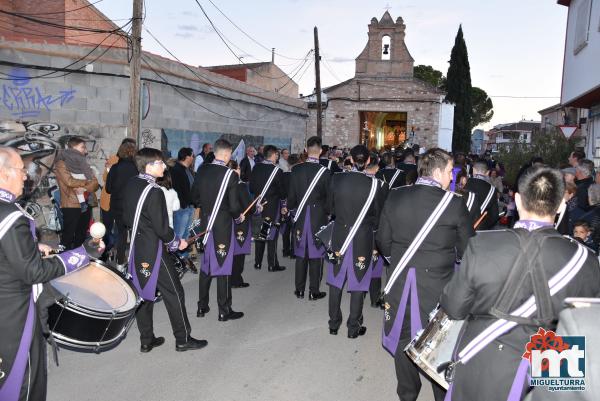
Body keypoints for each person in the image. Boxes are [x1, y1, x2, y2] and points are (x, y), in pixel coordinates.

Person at [440, 166, 600, 401]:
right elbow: (585, 330)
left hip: (486, 359)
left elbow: (454, 307)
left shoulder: (483, 245)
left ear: (517, 199)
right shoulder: (585, 260)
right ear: (560, 206)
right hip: (552, 364)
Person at [376, 148, 473, 401]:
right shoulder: (455, 203)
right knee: (437, 346)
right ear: (439, 171)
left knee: (403, 339)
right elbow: (467, 251)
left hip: (399, 282)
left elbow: (382, 240)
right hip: (437, 286)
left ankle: (407, 394)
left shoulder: (395, 196)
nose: (452, 177)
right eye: (450, 171)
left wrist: (396, 261)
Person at [0, 146, 93, 401]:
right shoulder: (11, 216)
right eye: (21, 170)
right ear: (4, 174)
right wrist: (80, 256)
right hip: (13, 317)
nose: (26, 176)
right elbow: (32, 272)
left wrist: (31, 247)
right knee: (25, 382)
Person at [122, 147, 207, 353]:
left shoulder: (132, 184)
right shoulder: (154, 191)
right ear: (149, 166)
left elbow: (125, 218)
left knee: (144, 293)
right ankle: (183, 338)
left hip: (136, 248)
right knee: (174, 292)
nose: (163, 166)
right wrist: (178, 243)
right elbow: (162, 228)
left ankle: (146, 339)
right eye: (160, 163)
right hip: (154, 251)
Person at [327, 145, 387, 338]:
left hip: (339, 236)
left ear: (351, 160)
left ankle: (333, 324)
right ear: (368, 161)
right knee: (358, 283)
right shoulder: (377, 185)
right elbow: (378, 218)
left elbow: (330, 208)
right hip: (363, 237)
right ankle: (353, 328)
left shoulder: (336, 178)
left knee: (336, 281)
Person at [191, 139, 245, 321]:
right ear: (227, 154)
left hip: (206, 221)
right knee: (223, 265)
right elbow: (234, 205)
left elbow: (194, 196)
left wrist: (206, 207)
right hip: (222, 224)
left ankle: (202, 306)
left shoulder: (202, 169)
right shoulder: (230, 175)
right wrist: (239, 217)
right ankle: (224, 310)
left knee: (207, 264)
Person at [287, 137, 330, 301]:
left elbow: (291, 196)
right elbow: (329, 199)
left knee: (300, 254)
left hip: (300, 215)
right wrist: (327, 213)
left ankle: (299, 289)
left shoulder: (296, 170)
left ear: (305, 149)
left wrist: (291, 210)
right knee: (316, 254)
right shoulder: (324, 171)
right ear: (320, 151)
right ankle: (314, 291)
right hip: (317, 216)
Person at [54, 136, 99, 250]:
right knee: (68, 235)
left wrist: (84, 188)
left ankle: (78, 259)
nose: (86, 151)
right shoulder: (61, 163)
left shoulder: (83, 162)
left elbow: (95, 183)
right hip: (71, 204)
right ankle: (64, 261)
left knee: (81, 235)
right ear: (73, 147)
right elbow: (69, 181)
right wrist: (86, 182)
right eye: (83, 147)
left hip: (86, 202)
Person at [250, 145, 287, 272]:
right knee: (272, 236)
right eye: (277, 155)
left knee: (260, 233)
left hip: (258, 205)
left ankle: (258, 263)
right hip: (272, 206)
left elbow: (251, 187)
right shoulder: (277, 171)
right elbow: (282, 192)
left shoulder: (256, 167)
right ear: (274, 155)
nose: (277, 157)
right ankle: (272, 264)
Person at [99, 138, 136, 259]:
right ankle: (121, 260)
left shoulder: (115, 167)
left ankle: (103, 256)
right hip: (128, 206)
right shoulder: (137, 168)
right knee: (122, 232)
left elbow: (108, 188)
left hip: (113, 203)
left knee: (107, 229)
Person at [171, 147, 197, 273]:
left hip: (189, 207)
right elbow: (178, 191)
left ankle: (184, 258)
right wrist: (185, 204)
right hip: (182, 208)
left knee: (186, 235)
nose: (193, 158)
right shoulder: (176, 170)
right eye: (192, 155)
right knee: (179, 235)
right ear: (187, 157)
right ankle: (175, 260)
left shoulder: (187, 170)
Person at [228, 159, 253, 288]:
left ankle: (230, 277)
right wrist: (256, 207)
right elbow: (249, 206)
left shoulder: (222, 184)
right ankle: (236, 279)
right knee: (239, 252)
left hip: (226, 222)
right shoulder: (240, 185)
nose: (240, 170)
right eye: (237, 168)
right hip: (240, 222)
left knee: (230, 251)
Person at [464, 160, 499, 230]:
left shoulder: (464, 184)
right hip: (479, 230)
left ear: (473, 170)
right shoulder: (492, 190)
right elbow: (494, 216)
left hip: (460, 228)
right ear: (487, 173)